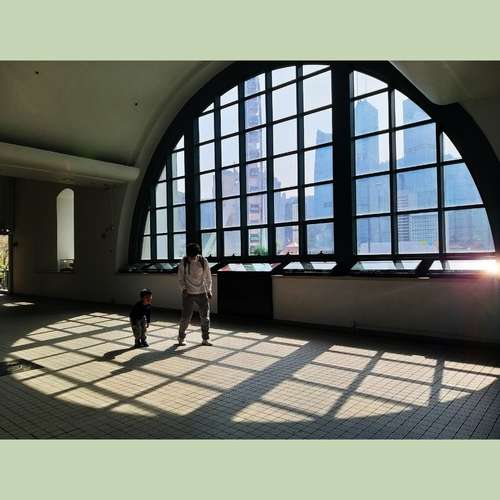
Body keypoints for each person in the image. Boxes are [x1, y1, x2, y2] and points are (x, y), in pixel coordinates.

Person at [177, 243, 212, 346]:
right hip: (188, 294)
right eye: (190, 256)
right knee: (186, 318)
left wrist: (209, 290)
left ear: (197, 254)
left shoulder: (203, 261)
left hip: (202, 292)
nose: (192, 258)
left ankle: (205, 339)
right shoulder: (184, 261)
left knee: (205, 317)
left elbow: (208, 277)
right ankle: (181, 338)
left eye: (194, 256)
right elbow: (180, 278)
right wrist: (183, 289)